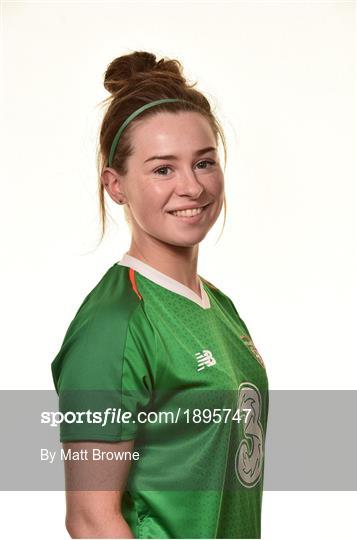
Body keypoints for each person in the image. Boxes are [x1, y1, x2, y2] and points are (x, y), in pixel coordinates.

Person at [51, 50, 269, 539]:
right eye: (163, 169)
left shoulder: (220, 307)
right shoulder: (115, 324)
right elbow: (91, 519)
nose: (191, 186)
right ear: (116, 184)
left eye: (204, 162)